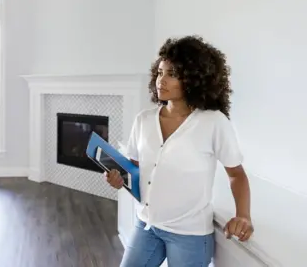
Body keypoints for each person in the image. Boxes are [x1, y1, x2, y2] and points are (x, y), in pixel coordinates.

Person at [105, 35, 254, 267]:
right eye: (160, 72)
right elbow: (133, 168)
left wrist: (243, 216)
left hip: (189, 234)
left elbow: (237, 175)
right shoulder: (143, 120)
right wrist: (118, 179)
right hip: (146, 226)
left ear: (194, 79)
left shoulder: (213, 122)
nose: (161, 80)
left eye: (172, 74)